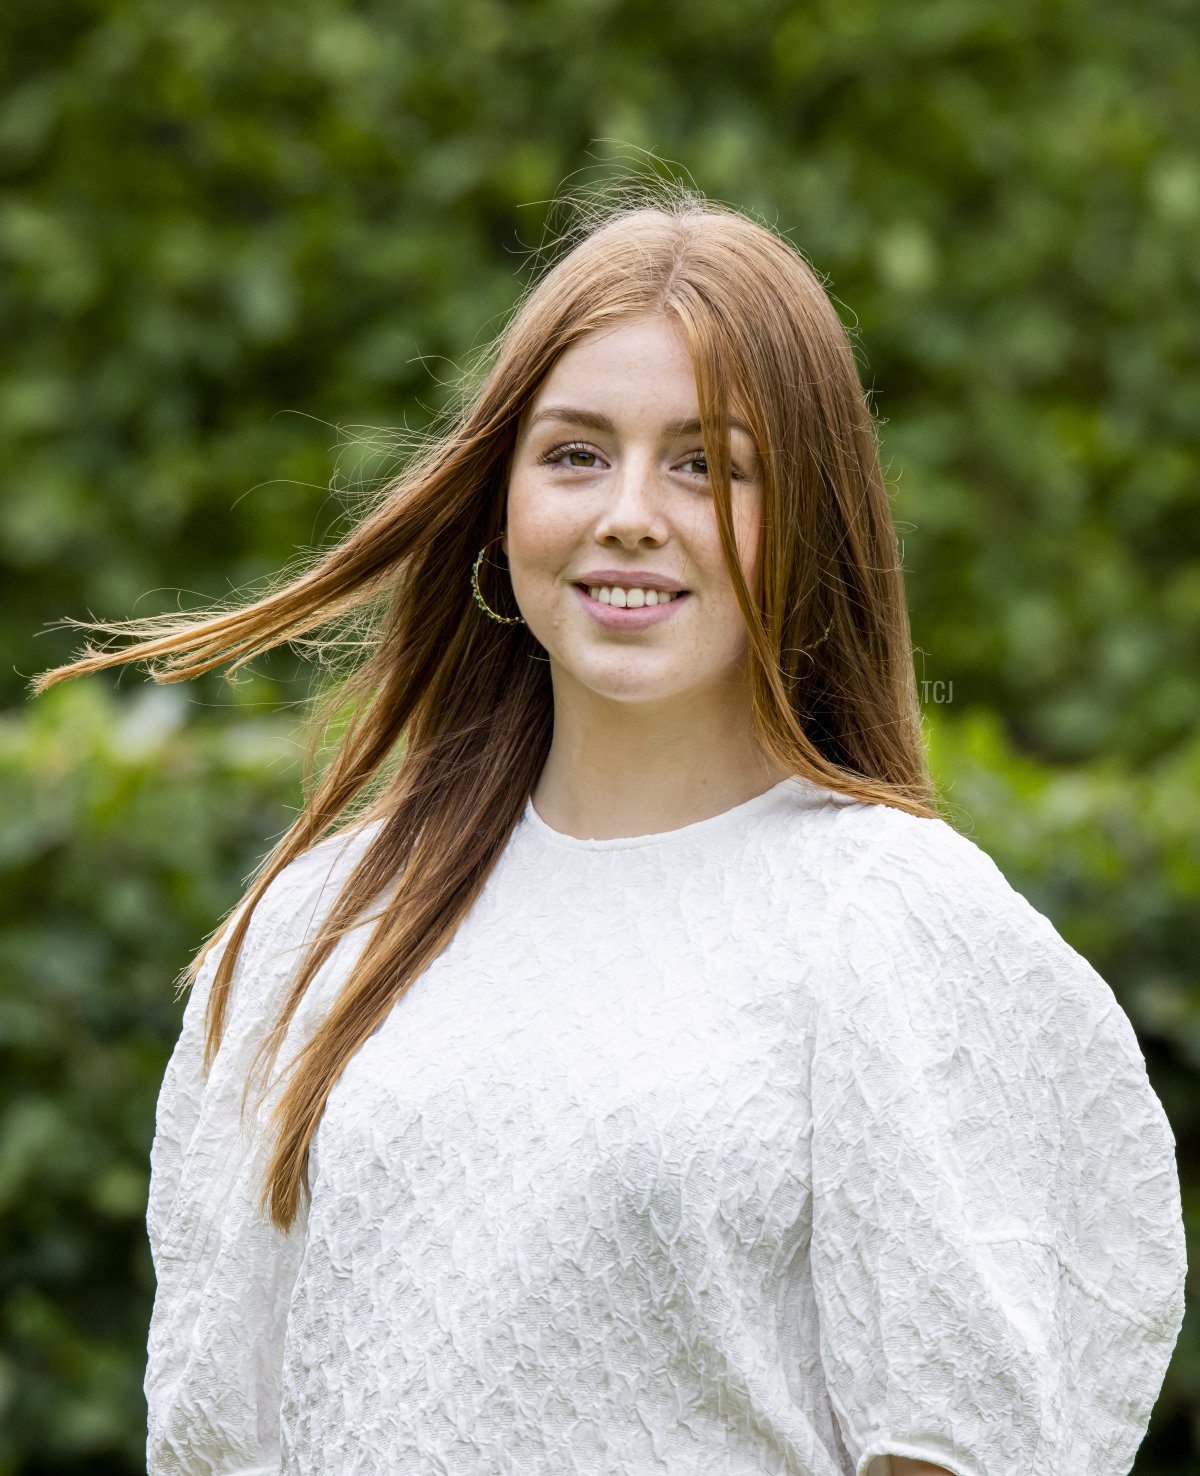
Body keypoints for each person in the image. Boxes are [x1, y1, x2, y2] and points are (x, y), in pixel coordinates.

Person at [36, 185, 1186, 1476]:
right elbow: (214, 1439)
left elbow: (959, 1444)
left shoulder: (893, 924)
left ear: (809, 520)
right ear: (502, 507)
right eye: (576, 453)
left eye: (708, 464)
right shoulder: (320, 929)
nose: (630, 510)